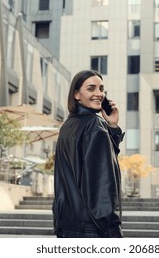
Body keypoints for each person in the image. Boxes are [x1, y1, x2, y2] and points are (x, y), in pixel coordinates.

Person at [52, 70, 125, 238]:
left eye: (101, 89)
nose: (99, 94)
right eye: (91, 89)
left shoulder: (67, 126)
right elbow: (102, 184)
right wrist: (112, 232)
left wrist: (112, 127)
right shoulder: (95, 125)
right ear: (76, 94)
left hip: (67, 225)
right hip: (93, 228)